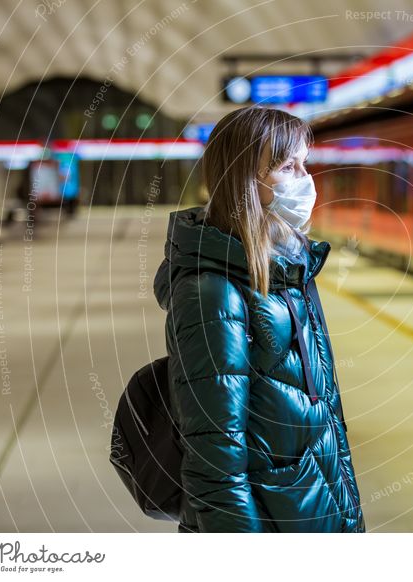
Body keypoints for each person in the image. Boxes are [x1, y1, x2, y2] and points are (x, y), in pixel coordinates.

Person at [153, 105, 366, 533]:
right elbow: (215, 459)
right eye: (288, 166)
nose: (305, 180)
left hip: (307, 507)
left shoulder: (286, 269)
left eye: (305, 164)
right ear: (244, 178)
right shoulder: (212, 291)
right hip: (274, 519)